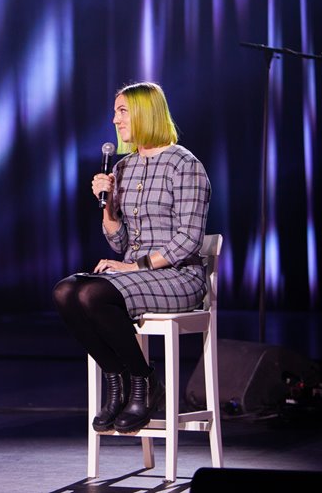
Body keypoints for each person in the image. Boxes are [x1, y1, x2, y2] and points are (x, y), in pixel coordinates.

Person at [53, 82, 211, 433]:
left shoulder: (184, 165)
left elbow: (188, 241)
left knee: (94, 293)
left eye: (122, 111)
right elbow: (120, 240)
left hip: (178, 276)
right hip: (133, 275)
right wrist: (108, 208)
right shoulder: (123, 168)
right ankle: (116, 379)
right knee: (66, 291)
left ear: (145, 112)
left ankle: (143, 381)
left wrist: (133, 266)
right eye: (115, 112)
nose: (115, 120)